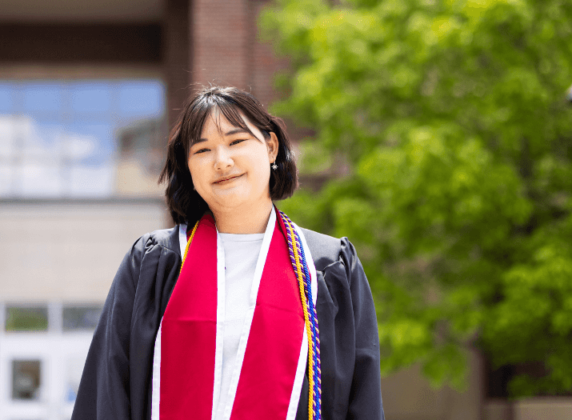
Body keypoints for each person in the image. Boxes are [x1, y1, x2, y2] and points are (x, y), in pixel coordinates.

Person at [73, 86, 384, 420]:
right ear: (190, 169)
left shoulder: (327, 268)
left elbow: (361, 399)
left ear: (270, 146)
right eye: (203, 150)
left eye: (236, 142)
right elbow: (107, 390)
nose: (222, 161)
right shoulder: (155, 263)